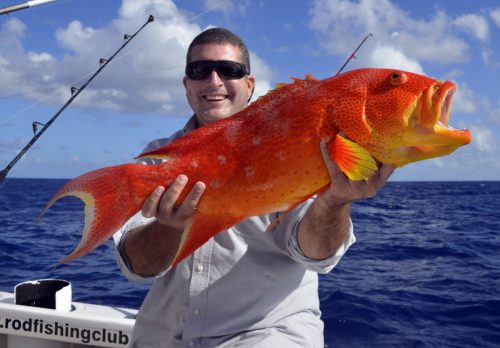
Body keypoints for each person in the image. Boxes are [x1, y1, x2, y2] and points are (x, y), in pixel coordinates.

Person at [114, 28, 394, 348]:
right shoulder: (157, 161)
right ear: (186, 84)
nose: (214, 81)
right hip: (164, 336)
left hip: (267, 335)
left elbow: (316, 255)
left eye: (229, 70)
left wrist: (334, 202)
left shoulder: (299, 148)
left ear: (249, 84)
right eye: (199, 70)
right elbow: (136, 267)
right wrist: (168, 228)